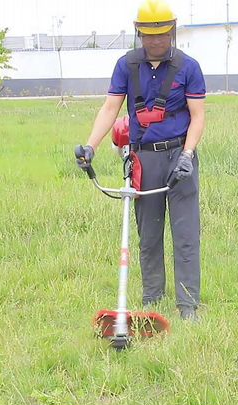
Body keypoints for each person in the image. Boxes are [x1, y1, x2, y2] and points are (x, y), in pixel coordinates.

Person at [75, 0, 206, 321]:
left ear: (172, 32)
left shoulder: (189, 67)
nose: (156, 42)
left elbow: (198, 116)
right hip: (144, 159)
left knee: (185, 233)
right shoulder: (126, 65)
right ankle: (152, 299)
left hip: (179, 157)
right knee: (148, 233)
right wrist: (90, 146)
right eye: (149, 36)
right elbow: (110, 108)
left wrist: (188, 154)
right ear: (139, 33)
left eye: (162, 35)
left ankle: (188, 305)